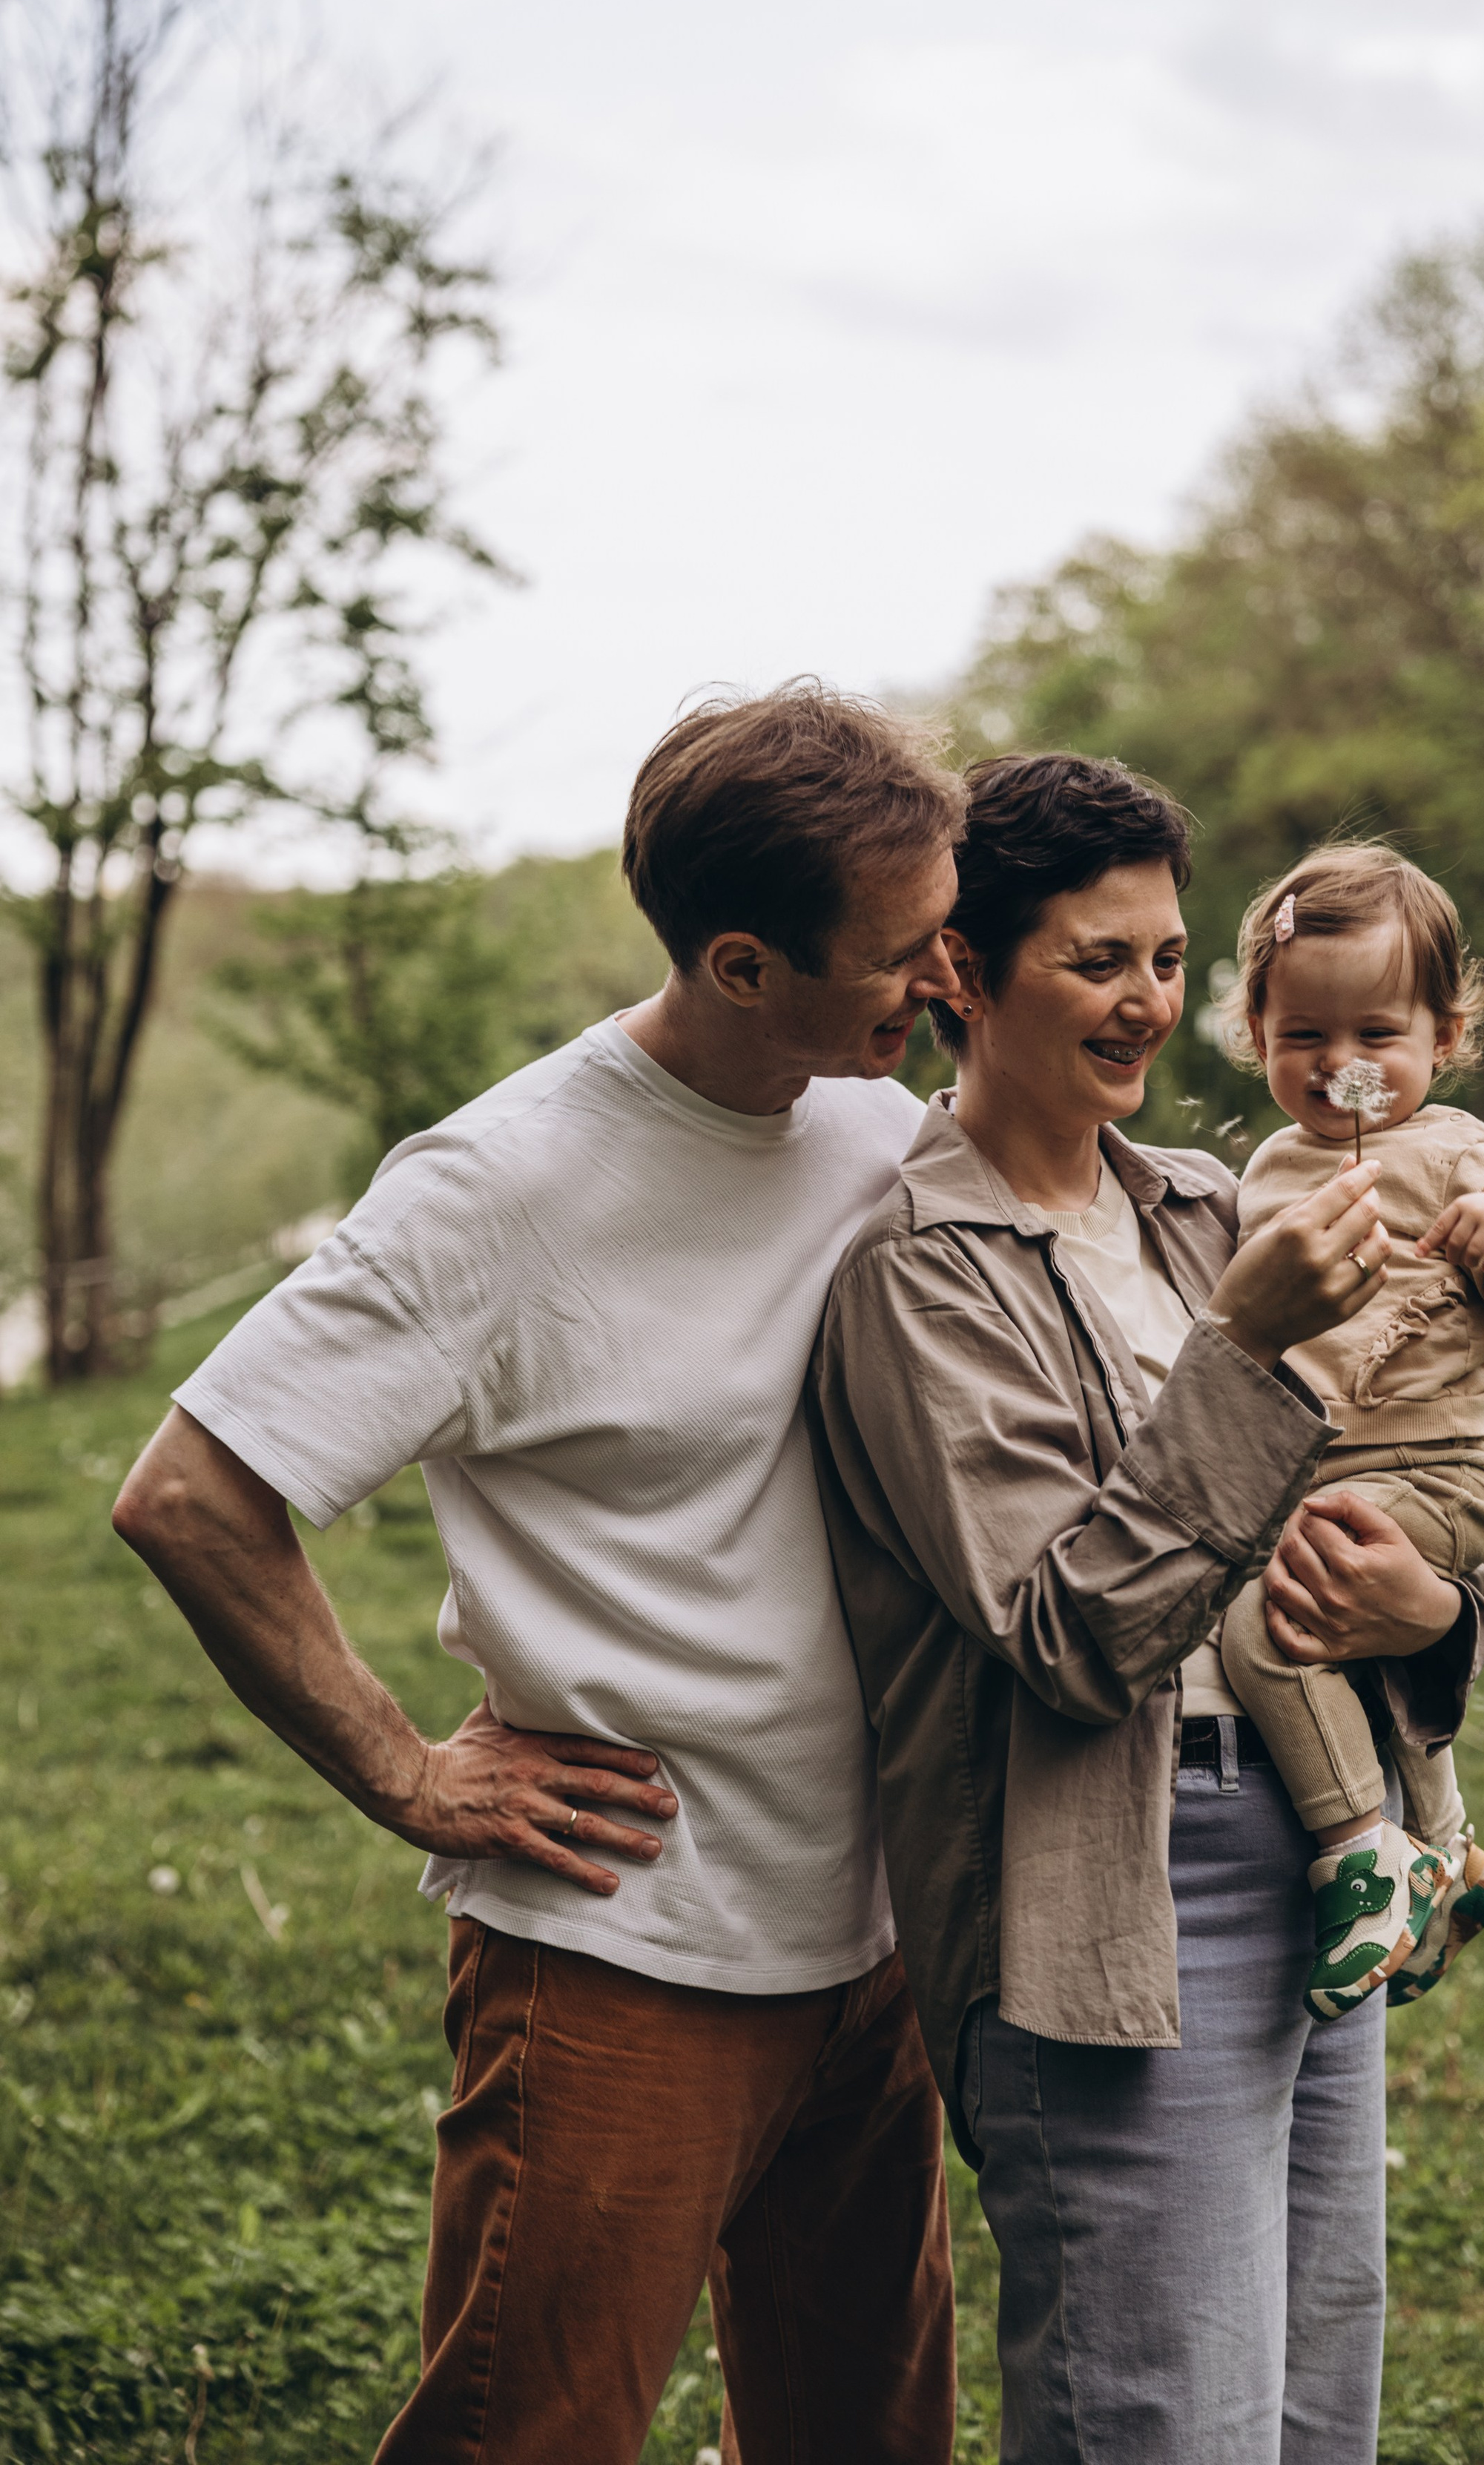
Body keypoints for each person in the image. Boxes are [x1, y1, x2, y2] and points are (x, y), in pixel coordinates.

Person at [110, 685, 969, 2465]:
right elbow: (192, 1493)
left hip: (874, 1936)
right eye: (897, 948)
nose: (936, 976)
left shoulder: (882, 1123)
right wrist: (401, 1768)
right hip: (626, 1948)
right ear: (741, 965)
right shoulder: (496, 1190)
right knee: (532, 2438)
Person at [811, 751, 1484, 2465]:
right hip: (1113, 1897)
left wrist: (1431, 1602)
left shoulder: (1210, 1207)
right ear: (962, 977)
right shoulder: (920, 1269)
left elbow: (1433, 1472)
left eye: (1165, 958)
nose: (1144, 1005)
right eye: (1094, 961)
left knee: (1305, 2405)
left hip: (1312, 1840)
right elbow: (1068, 1635)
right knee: (1164, 2424)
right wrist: (1241, 1350)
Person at [1216, 844, 1484, 2019]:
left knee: (1270, 1624)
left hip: (1439, 1472)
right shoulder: (1268, 1169)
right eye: (1303, 1039)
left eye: (1376, 1035)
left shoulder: (1458, 1151)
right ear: (1255, 1032)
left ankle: (1360, 1853)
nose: (1342, 1068)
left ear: (1444, 1034)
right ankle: (1451, 1852)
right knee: (1366, 1658)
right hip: (1322, 1470)